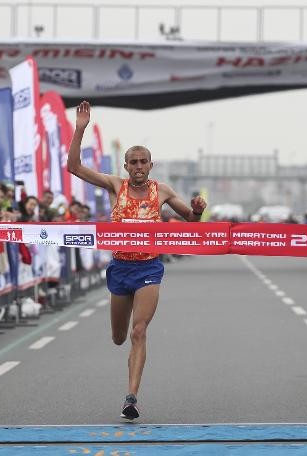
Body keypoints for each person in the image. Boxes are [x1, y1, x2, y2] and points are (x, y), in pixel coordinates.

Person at [67, 101, 207, 420]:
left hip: (148, 269)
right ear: (126, 166)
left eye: (144, 161)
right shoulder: (116, 186)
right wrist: (80, 129)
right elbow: (74, 167)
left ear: (151, 165)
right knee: (118, 338)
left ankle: (131, 398)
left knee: (138, 331)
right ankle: (128, 376)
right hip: (120, 269)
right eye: (134, 162)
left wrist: (197, 209)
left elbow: (193, 222)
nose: (139, 166)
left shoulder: (163, 191)